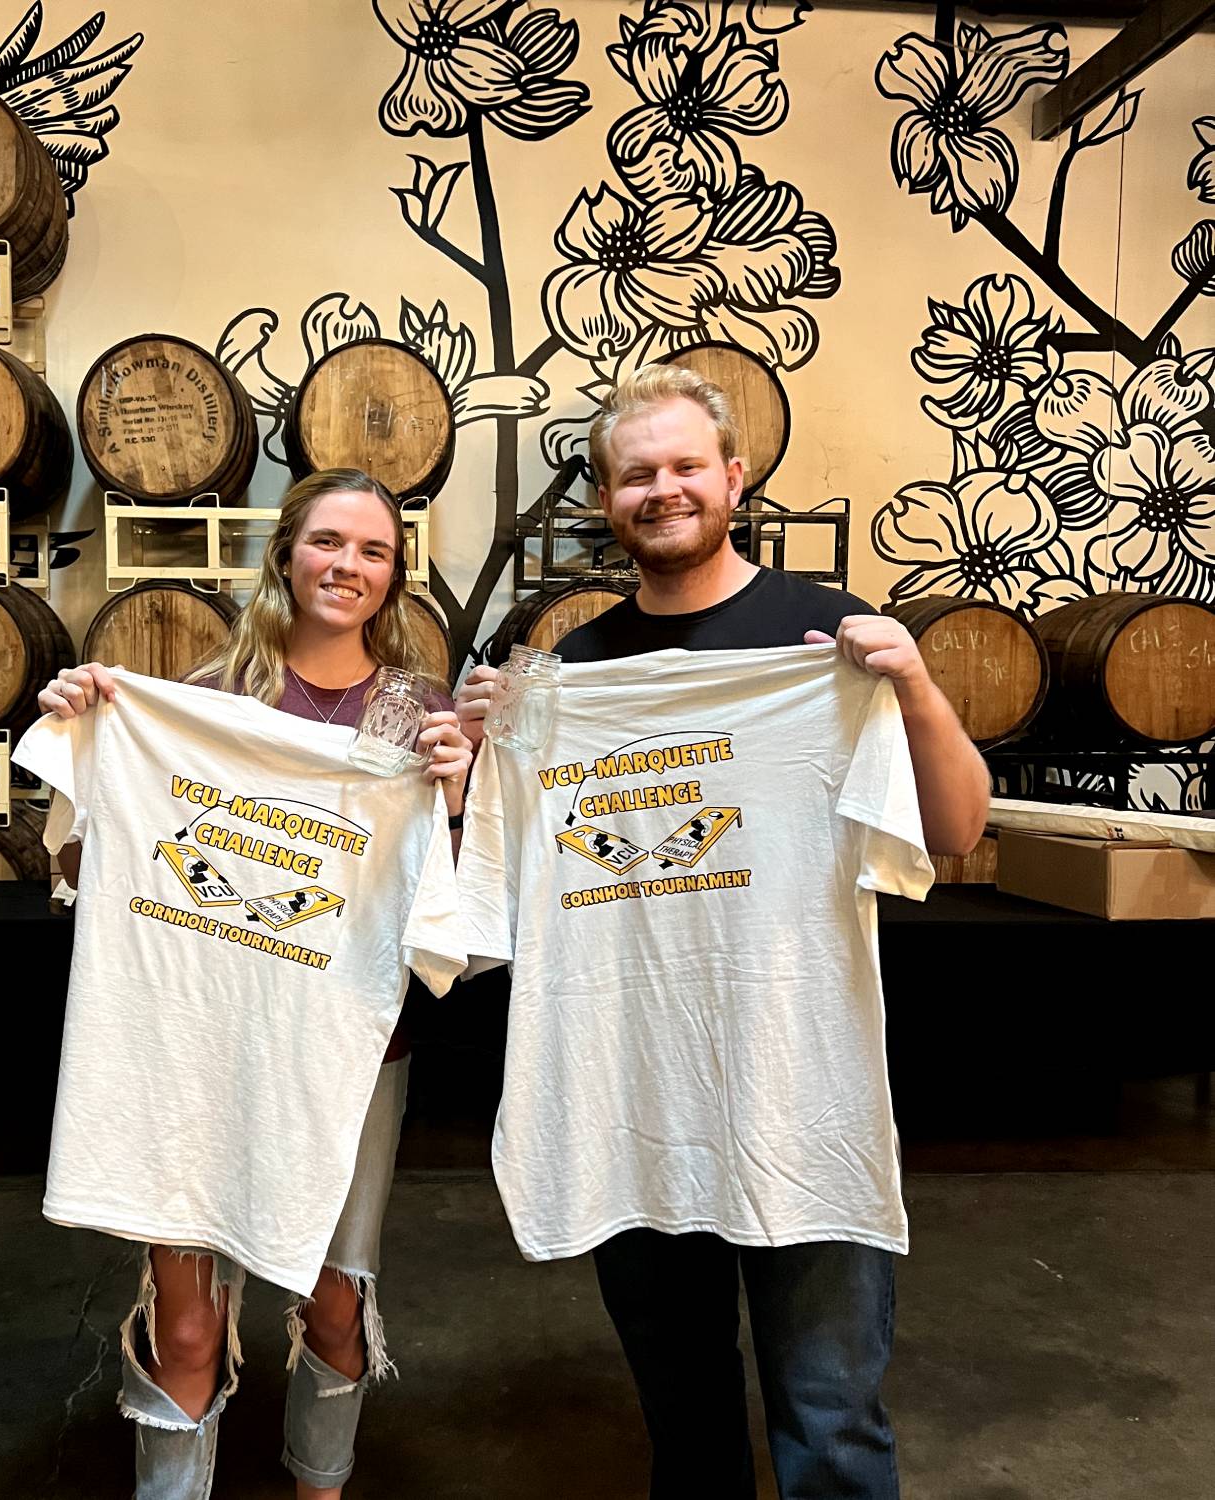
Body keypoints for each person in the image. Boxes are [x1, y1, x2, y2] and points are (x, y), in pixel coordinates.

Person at [457, 364, 989, 1498]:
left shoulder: (825, 636)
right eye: (637, 474)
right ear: (607, 499)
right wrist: (477, 761)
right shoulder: (568, 678)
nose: (664, 489)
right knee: (687, 1428)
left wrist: (917, 689)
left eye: (685, 466)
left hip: (800, 1091)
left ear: (734, 478)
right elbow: (497, 880)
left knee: (832, 1422)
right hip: (633, 1096)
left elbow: (953, 829)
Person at [38, 468, 472, 1500]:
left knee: (335, 1304)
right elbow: (82, 869)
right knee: (186, 1320)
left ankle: (319, 1487)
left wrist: (458, 802)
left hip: (353, 1053)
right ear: (286, 553)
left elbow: (463, 911)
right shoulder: (198, 703)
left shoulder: (421, 717)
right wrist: (85, 735)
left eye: (374, 550)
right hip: (194, 1043)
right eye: (328, 542)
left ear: (395, 575)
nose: (348, 566)